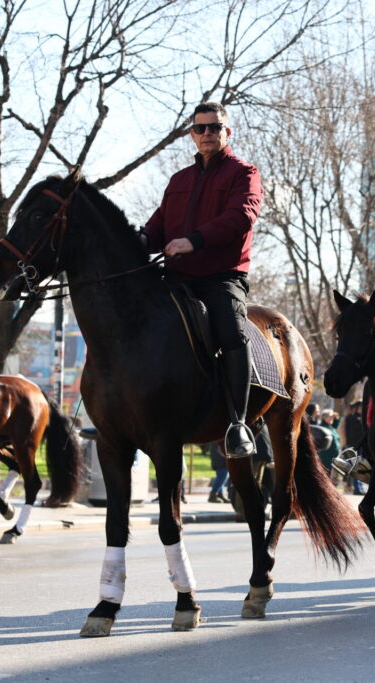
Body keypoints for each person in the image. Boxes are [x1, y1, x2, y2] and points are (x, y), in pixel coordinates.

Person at [142, 101, 263, 458]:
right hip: (176, 276)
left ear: (228, 132)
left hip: (220, 277)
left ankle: (238, 424)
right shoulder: (179, 180)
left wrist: (193, 241)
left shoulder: (244, 173)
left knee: (231, 331)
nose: (207, 133)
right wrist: (135, 243)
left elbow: (241, 217)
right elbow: (157, 227)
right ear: (192, 135)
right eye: (200, 128)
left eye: (214, 127)